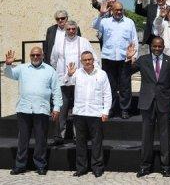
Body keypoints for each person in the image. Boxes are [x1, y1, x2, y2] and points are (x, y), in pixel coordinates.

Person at [125, 37, 170, 178]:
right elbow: (128, 71)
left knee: (164, 136)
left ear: (163, 46)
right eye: (154, 46)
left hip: (165, 102)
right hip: (147, 102)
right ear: (151, 46)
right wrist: (128, 59)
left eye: (159, 46)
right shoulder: (143, 59)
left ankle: (165, 166)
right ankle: (145, 167)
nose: (157, 49)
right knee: (146, 136)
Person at [4, 47, 62, 175]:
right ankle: (20, 165)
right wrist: (8, 64)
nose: (35, 57)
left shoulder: (50, 70)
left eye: (37, 55)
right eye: (33, 55)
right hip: (24, 109)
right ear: (30, 56)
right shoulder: (22, 68)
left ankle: (40, 165)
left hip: (41, 109)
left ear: (43, 55)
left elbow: (56, 91)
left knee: (41, 140)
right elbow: (9, 74)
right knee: (23, 139)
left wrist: (57, 107)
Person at [49, 20, 97, 146]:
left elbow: (94, 59)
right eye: (68, 29)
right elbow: (53, 60)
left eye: (73, 29)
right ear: (65, 29)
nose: (71, 31)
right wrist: (61, 73)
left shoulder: (84, 41)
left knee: (78, 109)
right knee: (61, 108)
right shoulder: (58, 42)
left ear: (76, 29)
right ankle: (59, 136)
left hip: (80, 81)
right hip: (62, 81)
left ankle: (79, 136)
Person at [63, 52, 111, 178]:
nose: (87, 62)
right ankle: (81, 168)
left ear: (93, 60)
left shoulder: (102, 74)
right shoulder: (77, 73)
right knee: (80, 142)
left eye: (89, 59)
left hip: (95, 113)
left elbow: (107, 94)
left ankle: (97, 167)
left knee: (97, 142)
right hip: (79, 113)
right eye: (85, 60)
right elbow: (66, 82)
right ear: (81, 61)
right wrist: (69, 73)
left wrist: (105, 111)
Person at [92, 1, 138, 119]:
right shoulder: (105, 21)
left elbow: (134, 39)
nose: (118, 12)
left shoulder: (129, 22)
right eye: (116, 10)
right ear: (112, 10)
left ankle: (124, 110)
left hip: (125, 58)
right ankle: (110, 108)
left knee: (125, 85)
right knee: (109, 85)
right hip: (108, 57)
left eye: (120, 9)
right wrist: (101, 14)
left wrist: (134, 56)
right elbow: (95, 26)